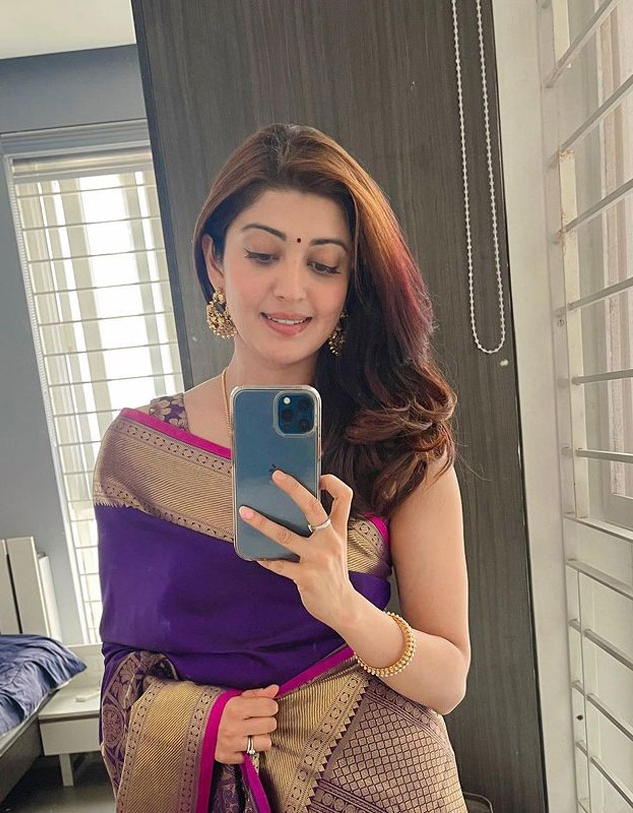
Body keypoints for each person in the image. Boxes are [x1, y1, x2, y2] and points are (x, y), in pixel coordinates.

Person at [94, 122, 470, 811]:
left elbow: (448, 680)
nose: (291, 289)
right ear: (214, 260)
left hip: (384, 784)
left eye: (324, 265)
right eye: (263, 254)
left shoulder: (403, 440)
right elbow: (124, 670)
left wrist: (345, 607)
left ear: (351, 283)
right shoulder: (140, 453)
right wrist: (196, 723)